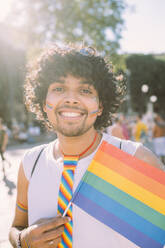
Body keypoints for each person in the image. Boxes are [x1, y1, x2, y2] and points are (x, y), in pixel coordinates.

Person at [9, 45, 163, 248]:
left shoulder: (135, 158)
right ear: (45, 102)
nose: (71, 98)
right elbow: (17, 227)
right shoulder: (31, 163)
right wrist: (23, 240)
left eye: (85, 90)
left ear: (100, 106)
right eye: (58, 88)